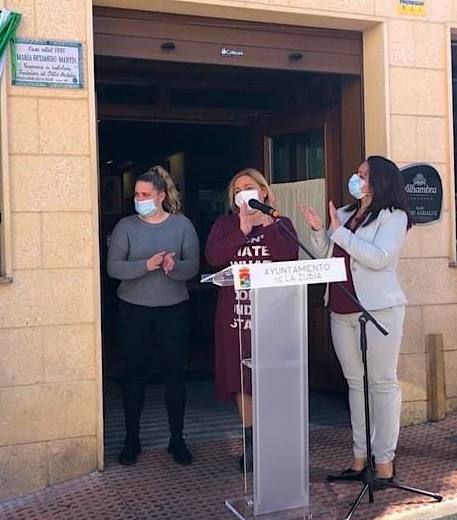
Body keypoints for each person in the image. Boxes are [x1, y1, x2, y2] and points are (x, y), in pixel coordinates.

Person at [299, 155, 413, 486]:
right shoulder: (347, 214)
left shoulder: (394, 216)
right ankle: (359, 458)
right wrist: (320, 230)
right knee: (355, 383)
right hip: (340, 308)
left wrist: (339, 233)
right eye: (358, 173)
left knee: (381, 383)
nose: (356, 178)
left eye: (363, 174)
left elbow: (378, 258)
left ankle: (384, 463)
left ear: (380, 180)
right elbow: (327, 255)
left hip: (377, 310)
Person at [205, 168, 299, 471]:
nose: (242, 193)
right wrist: (241, 231)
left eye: (248, 187)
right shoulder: (225, 224)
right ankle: (251, 443)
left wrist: (267, 225)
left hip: (273, 317)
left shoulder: (281, 223)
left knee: (271, 379)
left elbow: (289, 257)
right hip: (236, 316)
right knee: (242, 382)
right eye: (236, 190)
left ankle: (273, 441)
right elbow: (214, 257)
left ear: (263, 191)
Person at [106, 166, 200, 466]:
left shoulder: (182, 226)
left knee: (174, 375)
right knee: (134, 375)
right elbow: (113, 268)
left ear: (161, 196)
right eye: (137, 194)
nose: (139, 199)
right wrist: (145, 266)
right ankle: (131, 439)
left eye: (145, 194)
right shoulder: (125, 227)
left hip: (173, 309)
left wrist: (174, 267)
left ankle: (177, 439)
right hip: (133, 309)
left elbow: (193, 267)